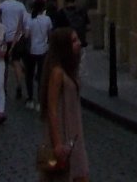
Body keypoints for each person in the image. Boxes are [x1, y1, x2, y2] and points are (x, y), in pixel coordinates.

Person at [41, 26, 89, 180]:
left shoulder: (68, 70)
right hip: (63, 135)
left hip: (73, 135)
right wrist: (57, 144)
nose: (79, 43)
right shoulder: (57, 73)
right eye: (74, 41)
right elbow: (52, 109)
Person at [0, 0, 30, 101]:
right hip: (17, 38)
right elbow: (26, 21)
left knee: (4, 64)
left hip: (4, 38)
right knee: (16, 61)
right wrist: (26, 33)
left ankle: (4, 87)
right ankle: (19, 84)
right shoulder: (20, 6)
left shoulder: (1, 6)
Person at [25, 0, 53, 110]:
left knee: (29, 75)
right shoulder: (47, 19)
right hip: (43, 50)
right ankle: (40, 100)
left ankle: (30, 98)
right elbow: (50, 35)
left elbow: (26, 36)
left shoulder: (30, 19)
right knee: (41, 76)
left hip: (31, 50)